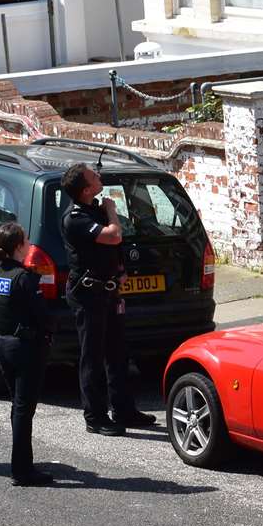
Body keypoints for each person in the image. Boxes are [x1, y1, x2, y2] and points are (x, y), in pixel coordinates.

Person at [59, 162, 153, 436]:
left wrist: (121, 270)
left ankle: (124, 409)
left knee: (118, 354)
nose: (99, 176)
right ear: (86, 189)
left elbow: (115, 248)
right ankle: (95, 417)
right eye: (93, 176)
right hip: (88, 295)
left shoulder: (94, 210)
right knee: (93, 357)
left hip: (108, 291)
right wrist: (112, 211)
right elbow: (112, 236)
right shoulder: (76, 218)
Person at [0, 222, 55, 487]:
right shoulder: (24, 277)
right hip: (25, 347)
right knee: (24, 409)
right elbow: (42, 315)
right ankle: (22, 469)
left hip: (2, 342)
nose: (28, 244)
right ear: (17, 246)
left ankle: (21, 463)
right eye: (25, 240)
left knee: (18, 406)